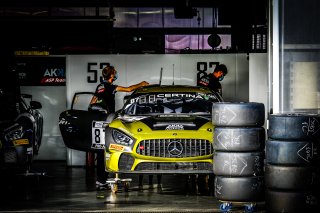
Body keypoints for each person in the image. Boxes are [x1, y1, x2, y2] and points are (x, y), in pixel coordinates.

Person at [90, 65, 149, 189]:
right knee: (105, 150)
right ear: (111, 75)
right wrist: (141, 84)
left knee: (101, 151)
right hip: (106, 121)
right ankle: (101, 181)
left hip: (98, 121)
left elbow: (92, 103)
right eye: (115, 73)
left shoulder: (99, 86)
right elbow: (128, 90)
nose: (115, 75)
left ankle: (101, 180)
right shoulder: (109, 87)